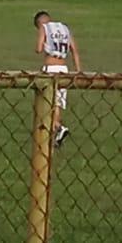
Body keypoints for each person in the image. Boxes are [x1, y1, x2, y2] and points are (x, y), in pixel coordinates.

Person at [35, 11, 82, 147]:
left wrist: (42, 44)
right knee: (58, 104)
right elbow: (74, 51)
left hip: (51, 69)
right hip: (64, 70)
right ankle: (56, 129)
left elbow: (38, 49)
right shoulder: (65, 29)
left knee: (49, 104)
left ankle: (58, 127)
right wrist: (78, 71)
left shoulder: (44, 28)